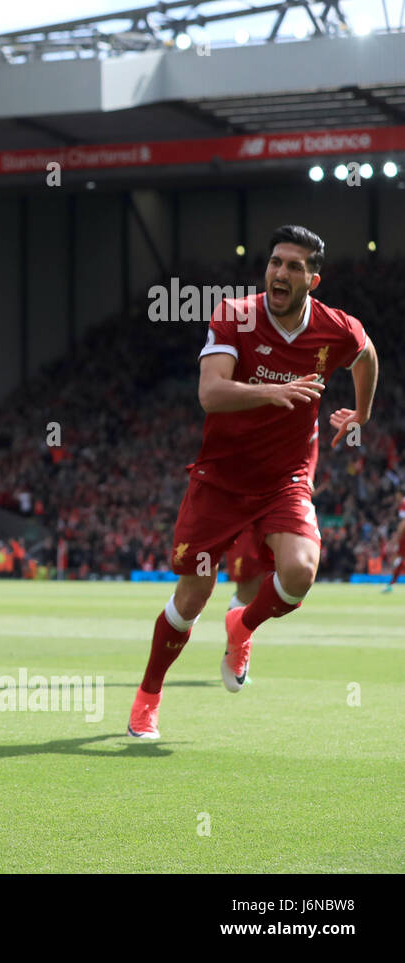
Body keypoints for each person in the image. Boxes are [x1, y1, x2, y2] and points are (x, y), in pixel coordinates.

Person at [128, 225, 378, 739]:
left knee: (301, 572)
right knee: (192, 596)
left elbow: (367, 354)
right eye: (274, 262)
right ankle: (148, 696)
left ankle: (242, 626)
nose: (279, 273)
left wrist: (362, 413)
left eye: (292, 266)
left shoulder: (336, 328)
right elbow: (211, 393)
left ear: (313, 278)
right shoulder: (235, 316)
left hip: (284, 479)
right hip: (220, 479)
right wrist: (274, 392)